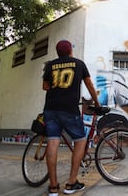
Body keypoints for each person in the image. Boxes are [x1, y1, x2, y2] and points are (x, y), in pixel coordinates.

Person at [42, 40, 100, 196]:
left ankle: (53, 186)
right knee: (80, 141)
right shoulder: (78, 64)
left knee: (53, 142)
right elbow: (89, 85)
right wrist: (97, 102)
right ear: (70, 51)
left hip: (51, 109)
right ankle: (71, 182)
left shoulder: (50, 65)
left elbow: (45, 87)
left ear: (58, 52)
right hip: (69, 109)